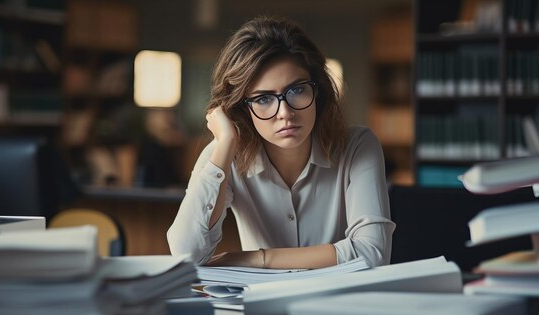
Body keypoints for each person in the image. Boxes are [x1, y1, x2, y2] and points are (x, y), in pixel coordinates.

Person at [167, 16, 395, 269]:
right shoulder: (223, 153)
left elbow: (372, 253)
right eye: (264, 99)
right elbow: (186, 255)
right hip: (260, 305)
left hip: (340, 303)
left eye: (297, 90)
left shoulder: (358, 146)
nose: (284, 112)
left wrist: (257, 258)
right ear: (241, 108)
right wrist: (225, 144)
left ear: (316, 91)